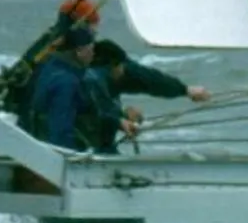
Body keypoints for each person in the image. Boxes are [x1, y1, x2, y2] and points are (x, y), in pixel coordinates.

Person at [79, 39, 213, 155]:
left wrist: (123, 113)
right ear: (113, 64)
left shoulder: (87, 74)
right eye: (121, 66)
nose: (124, 71)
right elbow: (96, 111)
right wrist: (185, 90)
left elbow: (98, 106)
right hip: (86, 150)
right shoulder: (95, 79)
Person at [20, 26, 98, 148]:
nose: (93, 54)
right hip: (60, 153)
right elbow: (60, 127)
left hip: (39, 141)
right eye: (91, 49)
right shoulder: (67, 83)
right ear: (79, 51)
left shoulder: (49, 69)